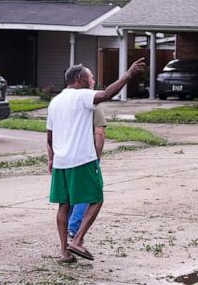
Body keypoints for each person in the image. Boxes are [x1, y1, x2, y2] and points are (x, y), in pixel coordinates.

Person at [47, 58, 145, 263]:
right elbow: (108, 94)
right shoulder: (83, 96)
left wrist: (52, 159)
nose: (93, 81)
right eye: (91, 77)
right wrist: (127, 74)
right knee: (96, 198)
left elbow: (50, 136)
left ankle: (64, 251)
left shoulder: (55, 102)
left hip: (61, 161)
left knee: (63, 206)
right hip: (82, 159)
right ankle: (78, 240)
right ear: (80, 79)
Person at [67, 104, 107, 241]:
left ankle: (67, 227)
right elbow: (99, 132)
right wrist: (97, 156)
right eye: (91, 79)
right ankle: (74, 228)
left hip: (65, 154)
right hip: (85, 155)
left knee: (70, 193)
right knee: (89, 193)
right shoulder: (94, 103)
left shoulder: (63, 101)